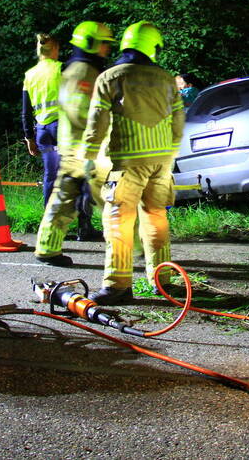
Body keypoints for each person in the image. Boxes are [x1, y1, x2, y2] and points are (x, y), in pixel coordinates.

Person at [82, 21, 185, 304]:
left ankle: (117, 286)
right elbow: (178, 121)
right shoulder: (166, 78)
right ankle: (162, 281)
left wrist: (89, 158)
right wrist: (170, 154)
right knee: (156, 218)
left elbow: (96, 122)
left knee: (118, 221)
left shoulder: (111, 77)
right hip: (161, 163)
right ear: (152, 46)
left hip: (127, 162)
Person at [34, 21, 116, 266]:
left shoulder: (81, 68)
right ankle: (135, 248)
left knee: (63, 201)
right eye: (103, 44)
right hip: (86, 149)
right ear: (91, 43)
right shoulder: (82, 71)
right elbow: (83, 111)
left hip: (76, 148)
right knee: (114, 201)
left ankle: (47, 249)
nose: (106, 50)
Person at [22, 33, 62, 205]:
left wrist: (29, 137)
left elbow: (25, 111)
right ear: (54, 49)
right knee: (76, 175)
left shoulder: (30, 75)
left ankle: (49, 225)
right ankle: (84, 228)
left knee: (50, 176)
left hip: (42, 131)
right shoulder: (62, 68)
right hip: (62, 128)